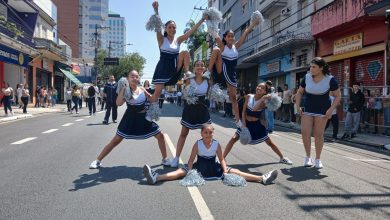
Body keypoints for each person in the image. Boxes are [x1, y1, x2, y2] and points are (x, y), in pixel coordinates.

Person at [143, 124, 278, 185]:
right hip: (199, 167)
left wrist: (225, 170)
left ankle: (262, 178)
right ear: (202, 133)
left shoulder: (216, 144)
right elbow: (190, 159)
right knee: (181, 171)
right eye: (205, 132)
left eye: (210, 132)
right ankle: (156, 178)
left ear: (213, 133)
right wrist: (190, 169)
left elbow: (221, 159)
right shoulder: (198, 143)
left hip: (214, 167)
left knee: (235, 171)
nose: (208, 134)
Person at [89, 70, 171, 169]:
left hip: (144, 118)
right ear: (128, 79)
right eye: (132, 76)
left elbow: (151, 99)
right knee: (116, 140)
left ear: (139, 79)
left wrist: (158, 90)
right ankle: (97, 160)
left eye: (136, 76)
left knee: (160, 135)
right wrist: (123, 89)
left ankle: (165, 159)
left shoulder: (142, 89)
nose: (134, 78)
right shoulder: (126, 90)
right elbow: (118, 103)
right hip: (130, 118)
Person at [147, 1, 207, 115]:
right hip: (163, 68)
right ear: (166, 29)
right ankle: (151, 112)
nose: (172, 29)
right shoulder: (161, 39)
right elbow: (158, 26)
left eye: (174, 27)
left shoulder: (178, 40)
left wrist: (201, 20)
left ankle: (187, 72)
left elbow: (190, 32)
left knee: (184, 52)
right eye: (169, 27)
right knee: (156, 94)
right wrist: (156, 10)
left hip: (175, 68)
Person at [205, 17, 261, 128]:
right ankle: (208, 72)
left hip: (231, 75)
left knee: (234, 98)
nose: (231, 38)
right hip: (221, 71)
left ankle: (237, 120)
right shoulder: (223, 46)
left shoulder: (236, 47)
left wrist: (253, 23)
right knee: (216, 49)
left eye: (232, 36)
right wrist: (208, 20)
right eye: (229, 36)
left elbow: (245, 33)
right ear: (225, 38)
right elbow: (215, 35)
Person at [223, 83, 293, 165]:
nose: (259, 88)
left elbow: (254, 109)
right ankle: (222, 158)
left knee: (269, 142)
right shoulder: (249, 96)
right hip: (247, 123)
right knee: (233, 138)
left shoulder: (264, 102)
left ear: (265, 91)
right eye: (258, 86)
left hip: (257, 125)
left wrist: (263, 98)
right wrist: (243, 124)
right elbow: (244, 111)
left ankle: (282, 158)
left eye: (262, 88)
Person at [295, 57, 341, 169]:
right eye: (310, 66)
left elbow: (338, 96)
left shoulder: (331, 79)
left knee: (318, 135)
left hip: (322, 111)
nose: (311, 69)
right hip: (308, 109)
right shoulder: (306, 77)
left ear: (321, 68)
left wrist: (331, 109)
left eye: (314, 67)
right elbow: (299, 92)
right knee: (305, 132)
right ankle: (307, 157)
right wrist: (298, 106)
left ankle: (318, 159)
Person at [170, 60, 212, 167]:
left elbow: (210, 94)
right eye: (197, 65)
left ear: (204, 68)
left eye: (202, 65)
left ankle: (208, 158)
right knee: (183, 134)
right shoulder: (189, 79)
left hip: (203, 110)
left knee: (207, 135)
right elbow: (185, 93)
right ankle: (176, 158)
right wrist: (186, 94)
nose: (199, 67)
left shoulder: (208, 80)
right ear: (194, 68)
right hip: (190, 109)